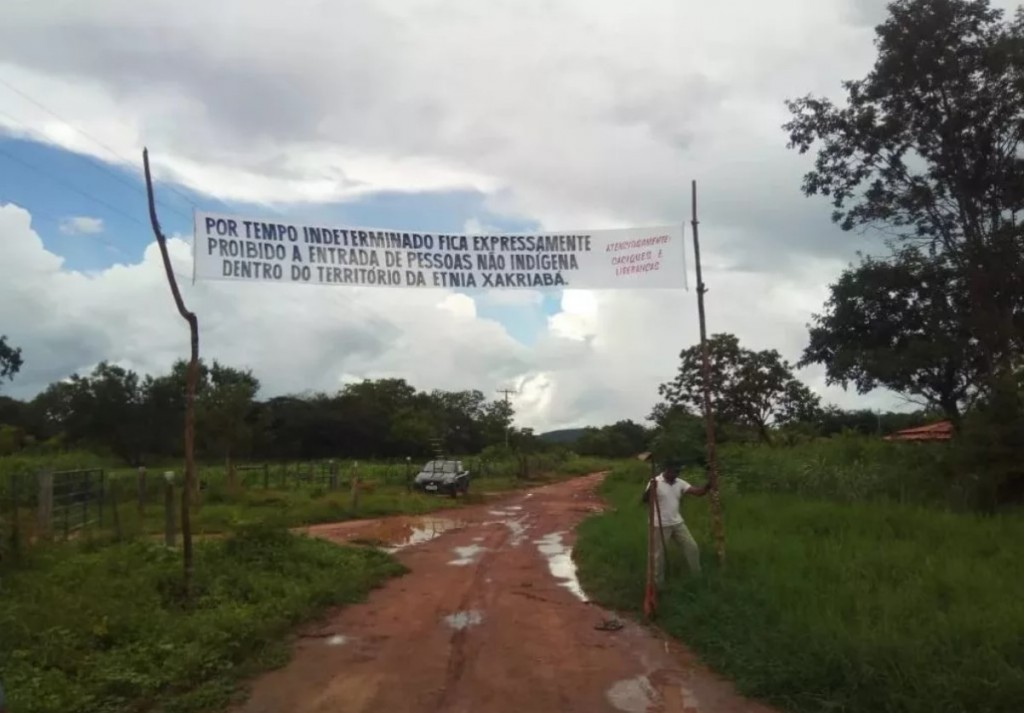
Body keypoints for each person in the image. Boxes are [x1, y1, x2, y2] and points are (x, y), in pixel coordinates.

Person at [641, 460, 709, 582]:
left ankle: (697, 577)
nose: (676, 474)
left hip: (677, 523)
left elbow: (698, 492)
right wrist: (651, 490)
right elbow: (645, 500)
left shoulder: (679, 482)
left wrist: (709, 485)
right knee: (658, 556)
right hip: (659, 525)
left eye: (678, 472)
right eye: (674, 471)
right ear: (667, 470)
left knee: (692, 547)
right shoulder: (655, 482)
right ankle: (657, 584)